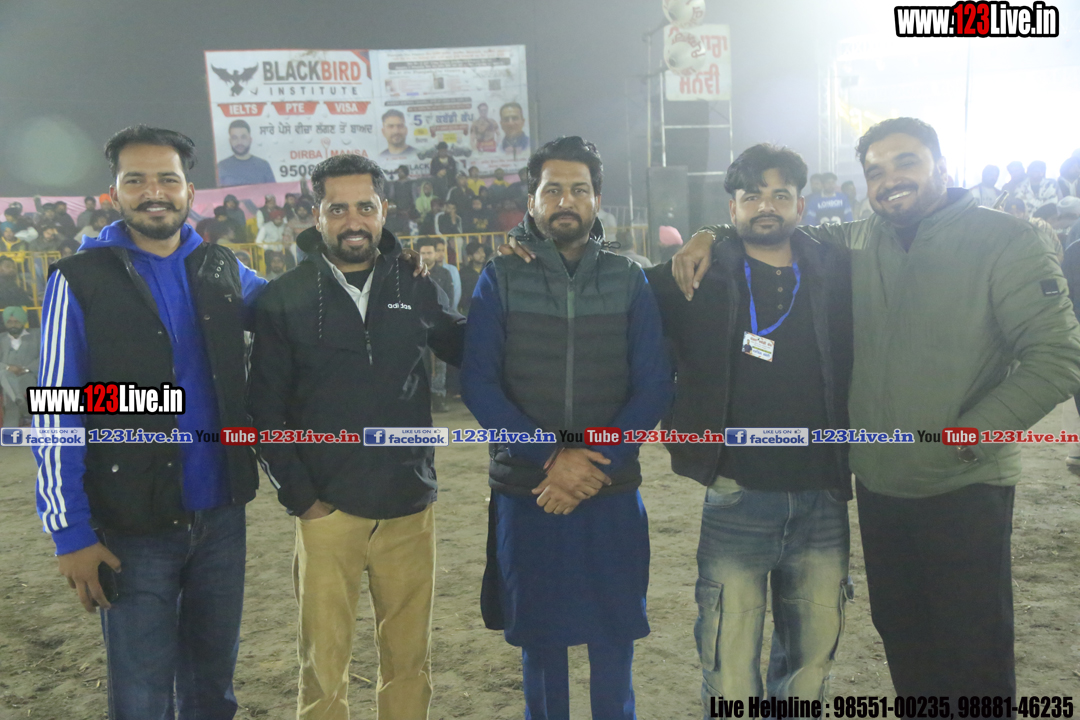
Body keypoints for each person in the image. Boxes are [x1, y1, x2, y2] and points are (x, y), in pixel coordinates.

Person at [674, 117, 1080, 703]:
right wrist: (709, 233)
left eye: (906, 162)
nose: (891, 179)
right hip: (879, 488)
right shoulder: (856, 240)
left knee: (971, 646)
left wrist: (973, 434)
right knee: (905, 638)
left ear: (942, 166)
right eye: (875, 171)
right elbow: (771, 221)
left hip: (963, 486)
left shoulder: (1005, 240)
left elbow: (1058, 355)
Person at [32, 125, 266, 719]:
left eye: (167, 179)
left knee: (213, 690)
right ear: (114, 193)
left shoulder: (223, 268)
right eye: (136, 180)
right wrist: (70, 533)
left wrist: (394, 265)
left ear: (190, 191)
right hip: (131, 527)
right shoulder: (78, 278)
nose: (153, 192)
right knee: (141, 698)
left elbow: (300, 309)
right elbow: (56, 408)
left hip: (221, 518)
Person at [462, 136, 672, 720]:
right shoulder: (500, 277)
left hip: (610, 489)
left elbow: (654, 384)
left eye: (578, 189)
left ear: (597, 200)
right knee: (541, 643)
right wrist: (553, 458)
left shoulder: (629, 278)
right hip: (530, 490)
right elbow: (479, 382)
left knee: (614, 638)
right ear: (531, 201)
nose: (565, 200)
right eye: (551, 189)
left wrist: (593, 462)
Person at [249, 153, 462, 720]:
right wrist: (302, 499)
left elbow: (466, 345)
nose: (353, 221)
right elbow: (263, 410)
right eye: (337, 208)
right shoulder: (283, 297)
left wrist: (515, 269)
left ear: (383, 210)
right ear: (316, 214)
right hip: (327, 512)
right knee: (323, 671)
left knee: (409, 663)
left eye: (364, 207)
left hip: (408, 507)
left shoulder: (415, 283)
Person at [643, 143, 854, 709]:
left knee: (810, 667)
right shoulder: (694, 275)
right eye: (752, 196)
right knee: (729, 667)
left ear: (801, 206)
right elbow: (612, 293)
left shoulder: (836, 268)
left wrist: (709, 231)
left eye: (780, 195)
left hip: (823, 497)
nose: (766, 206)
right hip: (736, 496)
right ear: (732, 207)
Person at [1, 305, 39, 427]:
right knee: (4, 373)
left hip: (30, 375)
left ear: (23, 321)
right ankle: (22, 405)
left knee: (12, 387)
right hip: (6, 377)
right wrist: (8, 368)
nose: (13, 325)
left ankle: (19, 403)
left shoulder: (37, 335)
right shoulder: (1, 339)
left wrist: (26, 369)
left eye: (16, 322)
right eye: (9, 322)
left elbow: (46, 356)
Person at [217, 119, 276, 187]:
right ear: (230, 141)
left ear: (250, 139)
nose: (239, 142)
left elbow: (274, 191)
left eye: (243, 137)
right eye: (234, 138)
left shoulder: (263, 165)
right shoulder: (221, 167)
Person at [458, 240, 489, 313]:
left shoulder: (489, 269)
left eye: (482, 252)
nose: (482, 255)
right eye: (478, 253)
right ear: (470, 257)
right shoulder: (464, 273)